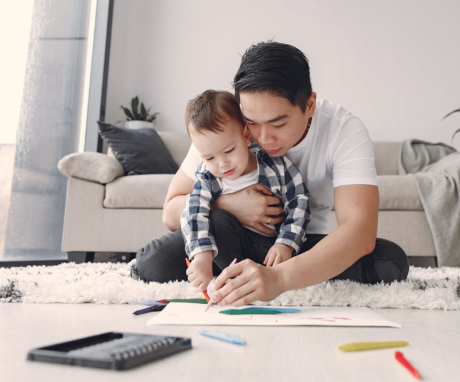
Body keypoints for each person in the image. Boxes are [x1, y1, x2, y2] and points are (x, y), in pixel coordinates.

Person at [131, 41, 409, 305]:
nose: (263, 138)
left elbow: (360, 232)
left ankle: (255, 275)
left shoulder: (343, 130)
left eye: (278, 124)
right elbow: (170, 214)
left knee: (390, 262)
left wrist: (279, 279)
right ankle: (239, 272)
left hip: (292, 245)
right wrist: (230, 204)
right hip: (225, 234)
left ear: (309, 105)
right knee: (151, 264)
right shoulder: (225, 125)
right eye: (251, 123)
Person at [181, 90, 310, 294]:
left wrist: (285, 244)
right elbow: (194, 212)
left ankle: (246, 278)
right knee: (216, 221)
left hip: (269, 249)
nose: (222, 164)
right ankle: (228, 273)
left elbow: (299, 202)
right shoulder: (208, 176)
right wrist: (202, 256)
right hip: (225, 248)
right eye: (209, 158)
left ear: (246, 136)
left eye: (229, 151)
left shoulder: (275, 166)